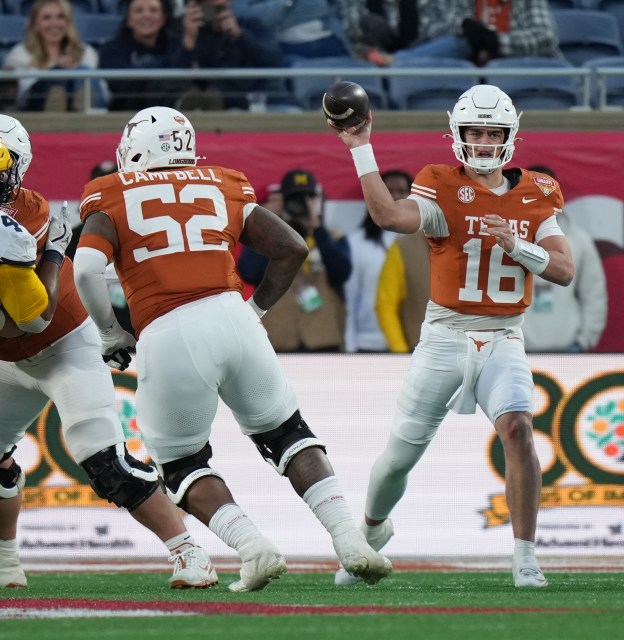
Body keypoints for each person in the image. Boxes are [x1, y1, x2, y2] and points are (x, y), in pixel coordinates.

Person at [73, 106, 392, 591]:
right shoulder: (222, 182)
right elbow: (292, 247)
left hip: (168, 328)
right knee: (288, 434)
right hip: (232, 315)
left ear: (134, 149)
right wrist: (255, 311)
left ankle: (252, 547)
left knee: (180, 461)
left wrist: (111, 332)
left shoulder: (110, 192)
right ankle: (349, 540)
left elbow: (84, 269)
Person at [329, 84, 575, 588]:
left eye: (492, 132)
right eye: (474, 132)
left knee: (520, 429)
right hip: (444, 335)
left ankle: (525, 555)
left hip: (505, 336)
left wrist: (518, 245)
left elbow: (565, 270)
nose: (483, 142)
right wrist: (361, 148)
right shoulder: (439, 182)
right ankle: (371, 531)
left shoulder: (538, 190)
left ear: (510, 137)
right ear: (457, 134)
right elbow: (390, 217)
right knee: (400, 455)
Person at [0, 114, 218, 590]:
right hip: (6, 360)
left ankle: (189, 552)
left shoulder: (28, 216)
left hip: (60, 347)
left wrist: (55, 255)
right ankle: (6, 565)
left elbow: (30, 320)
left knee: (103, 461)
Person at [236, 168, 351, 353]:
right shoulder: (269, 240)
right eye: (294, 200)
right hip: (277, 341)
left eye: (308, 199)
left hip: (324, 340)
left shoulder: (333, 237)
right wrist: (269, 221)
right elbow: (249, 272)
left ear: (317, 201)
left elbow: (341, 274)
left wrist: (317, 229)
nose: (301, 206)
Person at [521, 165, 607, 353]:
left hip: (568, 352)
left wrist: (583, 341)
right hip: (516, 350)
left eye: (547, 190)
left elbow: (594, 296)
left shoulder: (579, 241)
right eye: (533, 190)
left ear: (557, 193)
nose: (541, 197)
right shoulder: (506, 239)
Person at [344, 170, 411, 353]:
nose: (395, 197)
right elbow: (350, 298)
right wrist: (350, 346)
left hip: (413, 339)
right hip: (369, 342)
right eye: (388, 191)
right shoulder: (355, 243)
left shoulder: (423, 242)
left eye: (401, 191)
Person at [175, 0, 284, 111]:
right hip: (232, 108)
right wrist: (189, 38)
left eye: (222, 7)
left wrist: (239, 36)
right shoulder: (192, 35)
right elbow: (177, 78)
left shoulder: (252, 25)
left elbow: (274, 61)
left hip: (271, 101)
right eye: (212, 7)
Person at [2, 0, 107, 112]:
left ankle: (87, 118)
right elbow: (22, 97)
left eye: (60, 17)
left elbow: (104, 92)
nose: (54, 24)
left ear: (68, 22)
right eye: (47, 18)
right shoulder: (20, 54)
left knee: (84, 72)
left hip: (82, 107)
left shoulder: (86, 52)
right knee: (57, 77)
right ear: (35, 24)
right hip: (36, 110)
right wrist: (57, 68)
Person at [99, 0, 190, 112]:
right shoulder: (111, 50)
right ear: (129, 20)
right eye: (138, 11)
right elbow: (122, 83)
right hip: (126, 117)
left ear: (163, 18)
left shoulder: (174, 46)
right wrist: (165, 64)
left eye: (153, 10)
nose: (146, 15)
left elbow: (183, 73)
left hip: (170, 116)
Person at [338, 1, 465, 67]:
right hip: (370, 53)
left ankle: (394, 61)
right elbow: (350, 28)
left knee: (456, 43)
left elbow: (446, 25)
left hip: (422, 51)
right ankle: (394, 62)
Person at [455, 0, 562, 66]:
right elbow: (444, 25)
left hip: (520, 72)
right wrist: (465, 27)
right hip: (474, 76)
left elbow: (545, 36)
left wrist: (497, 42)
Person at [243, 0, 352, 65]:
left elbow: (322, 7)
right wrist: (286, 2)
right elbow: (244, 14)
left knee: (354, 80)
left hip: (330, 41)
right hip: (289, 48)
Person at [376, 230, 430, 353]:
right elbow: (386, 305)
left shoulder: (473, 244)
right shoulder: (404, 247)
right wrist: (401, 353)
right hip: (417, 354)